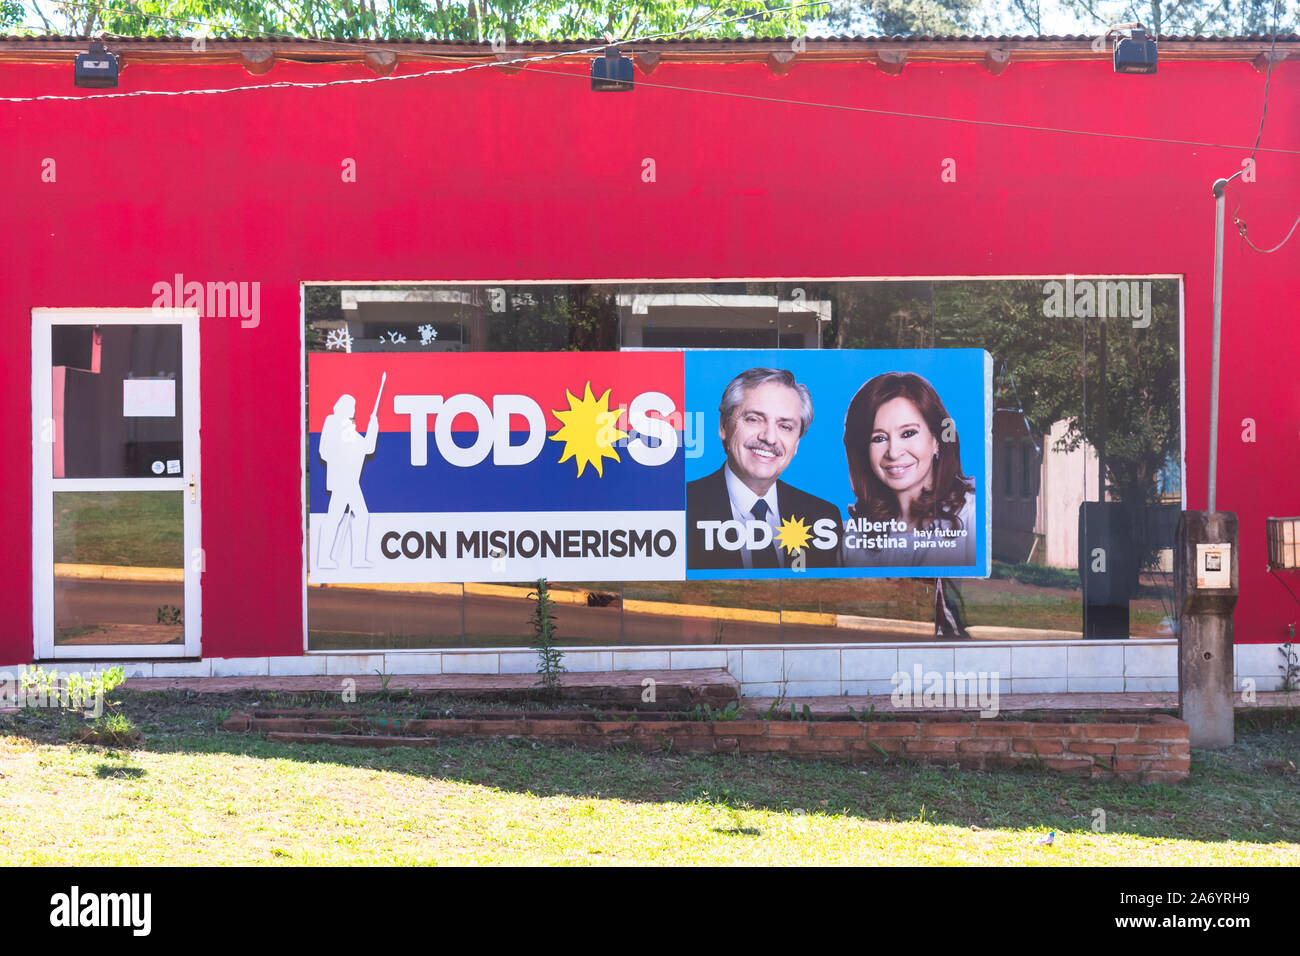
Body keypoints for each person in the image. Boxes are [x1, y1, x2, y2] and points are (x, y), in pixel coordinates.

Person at [687, 367, 841, 570]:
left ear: (796, 444)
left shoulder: (823, 517)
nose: (769, 438)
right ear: (723, 426)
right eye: (754, 419)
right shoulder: (679, 508)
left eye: (785, 426)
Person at [841, 371, 976, 567]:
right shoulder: (853, 535)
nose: (894, 452)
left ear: (936, 440)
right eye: (878, 438)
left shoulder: (973, 514)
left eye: (908, 433)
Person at [316, 393, 379, 570]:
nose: (353, 411)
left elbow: (367, 447)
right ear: (342, 407)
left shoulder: (349, 428)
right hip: (342, 479)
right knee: (342, 516)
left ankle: (353, 559)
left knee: (346, 515)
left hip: (349, 481)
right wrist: (342, 459)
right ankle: (326, 559)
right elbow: (324, 450)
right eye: (351, 407)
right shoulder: (333, 421)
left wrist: (373, 426)